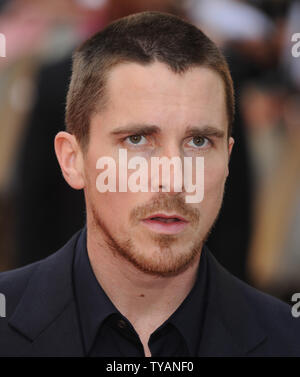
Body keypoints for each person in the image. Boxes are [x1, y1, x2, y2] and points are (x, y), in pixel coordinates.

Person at [0, 11, 299, 357]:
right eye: (137, 139)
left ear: (228, 159)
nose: (173, 179)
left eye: (199, 142)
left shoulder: (287, 340)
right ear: (73, 159)